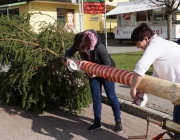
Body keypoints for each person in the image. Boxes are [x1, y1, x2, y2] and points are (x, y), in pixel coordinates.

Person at [64, 29, 123, 133]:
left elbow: (107, 64)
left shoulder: (99, 47)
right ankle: (97, 122)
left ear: (88, 44)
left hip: (107, 71)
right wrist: (67, 59)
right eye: (80, 50)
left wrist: (96, 73)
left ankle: (118, 121)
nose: (81, 52)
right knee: (96, 97)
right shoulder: (80, 42)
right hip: (91, 72)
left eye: (83, 50)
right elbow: (68, 53)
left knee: (111, 96)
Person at [130, 23, 180, 138]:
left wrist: (133, 88)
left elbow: (140, 67)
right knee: (176, 129)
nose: (138, 47)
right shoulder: (158, 44)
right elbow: (156, 74)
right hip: (178, 94)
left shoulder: (155, 45)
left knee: (178, 131)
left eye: (138, 43)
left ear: (146, 39)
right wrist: (143, 91)